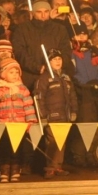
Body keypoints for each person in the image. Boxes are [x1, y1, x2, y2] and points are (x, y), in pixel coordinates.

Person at [0, 57, 37, 182]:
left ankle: (15, 169)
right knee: (4, 148)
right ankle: (4, 170)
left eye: (16, 72)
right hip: (3, 125)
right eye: (11, 72)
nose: (14, 75)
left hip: (19, 125)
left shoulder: (22, 89)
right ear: (3, 74)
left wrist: (30, 120)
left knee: (17, 149)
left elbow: (28, 105)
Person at [34, 50, 78, 178]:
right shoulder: (43, 79)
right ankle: (50, 167)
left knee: (61, 142)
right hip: (51, 116)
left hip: (65, 116)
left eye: (59, 59)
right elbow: (39, 97)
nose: (58, 61)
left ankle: (58, 166)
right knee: (52, 142)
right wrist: (42, 115)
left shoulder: (66, 78)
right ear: (48, 62)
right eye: (54, 59)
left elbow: (73, 96)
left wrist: (74, 111)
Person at [12, 0, 74, 78]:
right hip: (31, 75)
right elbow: (20, 52)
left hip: (56, 74)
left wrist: (58, 66)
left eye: (46, 11)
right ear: (33, 13)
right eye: (39, 12)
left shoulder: (60, 29)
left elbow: (66, 50)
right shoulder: (22, 29)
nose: (43, 15)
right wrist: (37, 67)